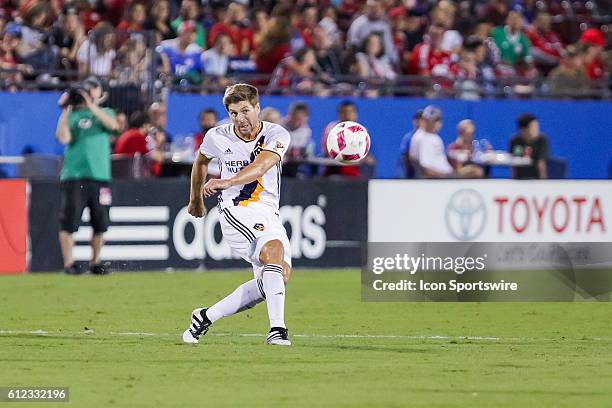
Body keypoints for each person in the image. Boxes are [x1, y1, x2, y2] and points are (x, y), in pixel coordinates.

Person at [183, 83, 293, 346]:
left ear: (258, 108)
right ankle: (277, 330)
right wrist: (195, 198)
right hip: (236, 211)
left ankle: (205, 317)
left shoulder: (277, 134)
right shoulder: (217, 136)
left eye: (245, 111)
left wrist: (226, 181)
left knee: (277, 277)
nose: (240, 119)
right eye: (233, 113)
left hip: (268, 211)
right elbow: (200, 162)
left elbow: (260, 166)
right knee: (274, 252)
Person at [55, 77, 119, 275]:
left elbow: (113, 126)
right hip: (74, 176)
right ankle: (69, 264)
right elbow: (63, 137)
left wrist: (91, 105)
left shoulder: (106, 112)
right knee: (69, 221)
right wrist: (66, 108)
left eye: (93, 88)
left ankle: (95, 261)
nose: (89, 91)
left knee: (101, 221)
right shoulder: (72, 115)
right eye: (86, 89)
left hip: (100, 176)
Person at [417, 105, 482, 178]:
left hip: (448, 173)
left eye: (438, 120)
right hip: (443, 177)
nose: (437, 124)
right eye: (433, 121)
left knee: (475, 170)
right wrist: (447, 176)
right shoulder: (425, 139)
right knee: (476, 172)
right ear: (425, 121)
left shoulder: (434, 137)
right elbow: (426, 168)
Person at [322, 100, 375, 178]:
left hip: (353, 171)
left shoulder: (361, 131)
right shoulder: (332, 128)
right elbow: (327, 152)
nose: (347, 115)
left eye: (350, 112)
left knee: (371, 162)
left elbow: (365, 153)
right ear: (339, 114)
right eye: (344, 112)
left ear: (355, 114)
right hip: (334, 169)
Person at [509, 113, 549, 179]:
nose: (536, 130)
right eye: (533, 127)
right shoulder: (516, 141)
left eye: (537, 127)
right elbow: (514, 163)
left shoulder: (542, 140)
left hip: (536, 179)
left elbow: (542, 163)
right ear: (523, 129)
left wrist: (543, 183)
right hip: (521, 179)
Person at [282, 102, 313, 177]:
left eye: (299, 119)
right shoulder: (280, 126)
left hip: (294, 166)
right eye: (293, 118)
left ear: (306, 118)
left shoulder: (306, 131)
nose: (296, 122)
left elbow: (303, 152)